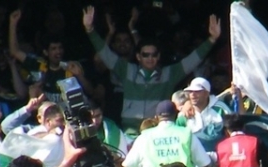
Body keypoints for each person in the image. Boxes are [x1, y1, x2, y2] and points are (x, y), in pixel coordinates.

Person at [83, 6, 221, 136]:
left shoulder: (169, 73)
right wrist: (90, 30)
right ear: (138, 57)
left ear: (158, 56)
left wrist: (212, 39)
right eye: (145, 55)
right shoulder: (126, 70)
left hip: (157, 130)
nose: (150, 58)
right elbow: (106, 54)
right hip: (130, 132)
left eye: (154, 54)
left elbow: (192, 60)